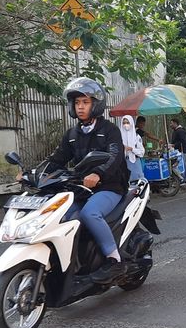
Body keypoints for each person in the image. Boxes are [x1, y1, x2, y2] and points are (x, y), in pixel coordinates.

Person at [44, 77, 129, 283]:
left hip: (109, 186)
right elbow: (57, 160)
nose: (80, 107)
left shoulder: (110, 130)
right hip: (81, 188)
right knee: (63, 217)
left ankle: (114, 259)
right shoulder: (72, 134)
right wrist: (34, 175)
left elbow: (115, 157)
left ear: (95, 104)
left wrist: (98, 174)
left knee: (89, 213)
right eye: (77, 103)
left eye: (85, 102)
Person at [120, 115, 145, 181]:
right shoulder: (119, 137)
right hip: (124, 163)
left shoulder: (136, 137)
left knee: (138, 184)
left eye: (127, 123)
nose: (126, 125)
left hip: (135, 163)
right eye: (124, 123)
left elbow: (141, 153)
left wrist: (132, 149)